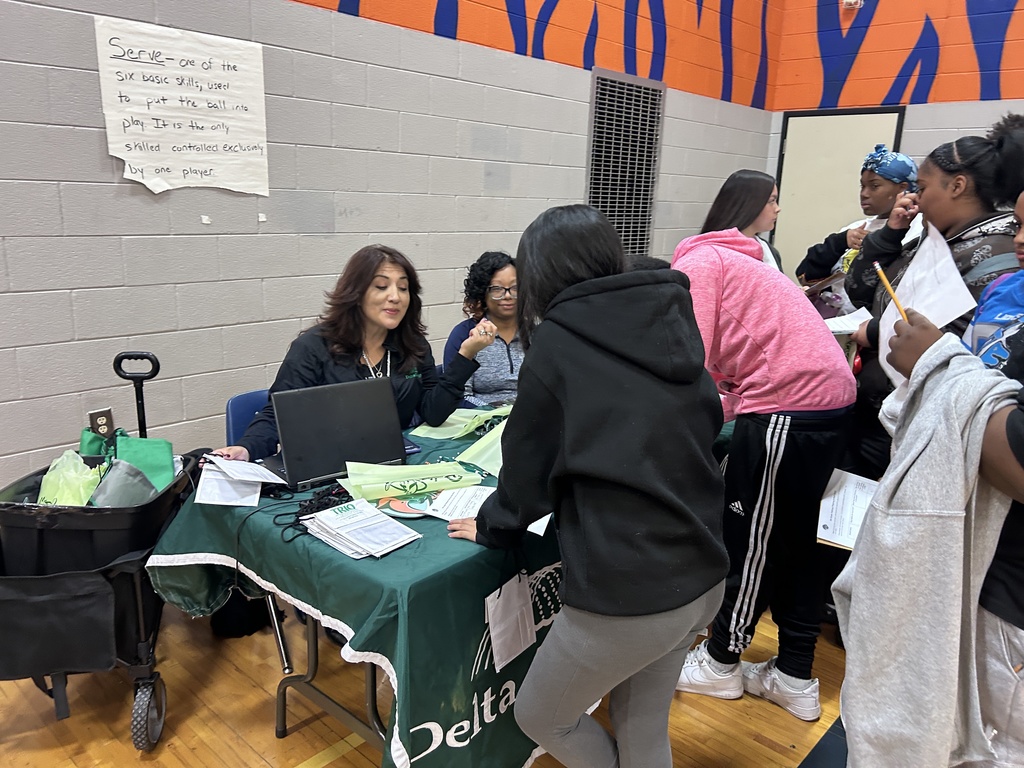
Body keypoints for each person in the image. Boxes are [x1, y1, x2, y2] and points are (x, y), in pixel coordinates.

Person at [447, 204, 729, 768]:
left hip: (631, 589)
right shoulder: (669, 314)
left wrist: (491, 527)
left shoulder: (559, 343)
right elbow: (704, 423)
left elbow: (526, 480)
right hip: (701, 571)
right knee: (640, 722)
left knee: (542, 715)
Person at [670, 194, 857, 722]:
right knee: (796, 541)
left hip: (788, 409)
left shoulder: (698, 264)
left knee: (751, 541)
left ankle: (721, 660)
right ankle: (794, 673)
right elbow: (730, 372)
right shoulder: (740, 258)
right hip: (820, 404)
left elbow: (692, 363)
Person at [833, 297, 1024, 765]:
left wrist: (937, 368)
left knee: (991, 750)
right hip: (982, 573)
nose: (1017, 237)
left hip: (1010, 605)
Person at [843, 124, 1024, 481]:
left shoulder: (998, 256)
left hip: (925, 422)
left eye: (922, 189)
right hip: (882, 410)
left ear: (957, 186)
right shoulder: (930, 240)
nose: (916, 199)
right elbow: (861, 288)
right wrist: (892, 233)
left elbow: (962, 344)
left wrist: (879, 330)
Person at [214, 244, 495, 461]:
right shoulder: (313, 347)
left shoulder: (412, 344)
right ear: (356, 293)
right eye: (381, 286)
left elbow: (433, 413)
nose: (395, 296)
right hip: (330, 465)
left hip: (391, 464)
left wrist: (465, 356)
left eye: (404, 288)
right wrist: (246, 448)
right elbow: (278, 415)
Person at [796, 144, 921, 317]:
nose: (864, 193)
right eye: (862, 186)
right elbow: (805, 275)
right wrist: (839, 242)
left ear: (902, 189)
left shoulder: (917, 231)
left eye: (874, 186)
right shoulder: (855, 229)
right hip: (839, 326)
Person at [443, 251, 523, 407]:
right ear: (483, 294)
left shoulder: (535, 332)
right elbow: (459, 396)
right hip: (482, 420)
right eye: (497, 289)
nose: (507, 295)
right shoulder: (464, 334)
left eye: (515, 287)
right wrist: (493, 414)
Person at [701, 168, 783, 271]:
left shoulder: (769, 250)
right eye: (771, 201)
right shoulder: (711, 254)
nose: (777, 209)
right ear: (748, 204)